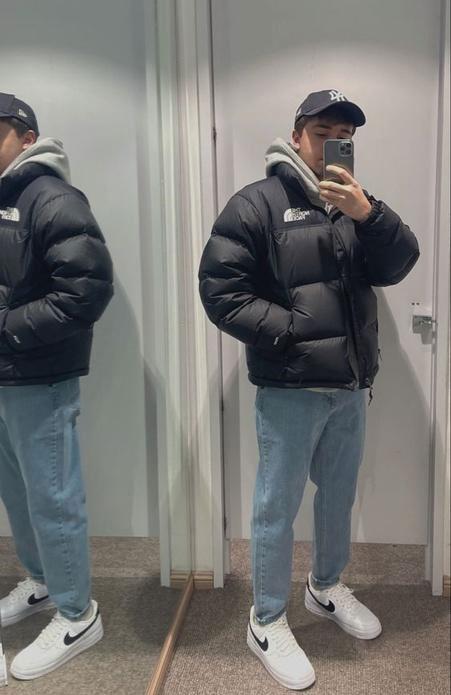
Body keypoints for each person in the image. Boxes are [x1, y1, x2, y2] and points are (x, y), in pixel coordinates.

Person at [198, 89, 419, 690]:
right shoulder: (256, 204)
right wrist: (293, 332)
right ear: (296, 135)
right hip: (290, 388)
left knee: (336, 496)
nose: (333, 146)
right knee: (276, 506)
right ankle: (266, 619)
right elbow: (220, 290)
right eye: (323, 133)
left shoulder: (355, 205)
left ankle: (325, 587)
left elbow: (400, 262)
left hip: (349, 386)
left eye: (345, 137)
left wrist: (368, 214)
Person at [0, 93, 113, 680]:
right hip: (6, 373)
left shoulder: (53, 197)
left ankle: (78, 613)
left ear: (26, 137)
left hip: (38, 375)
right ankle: (43, 581)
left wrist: (7, 329)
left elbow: (87, 290)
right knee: (18, 493)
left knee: (53, 497)